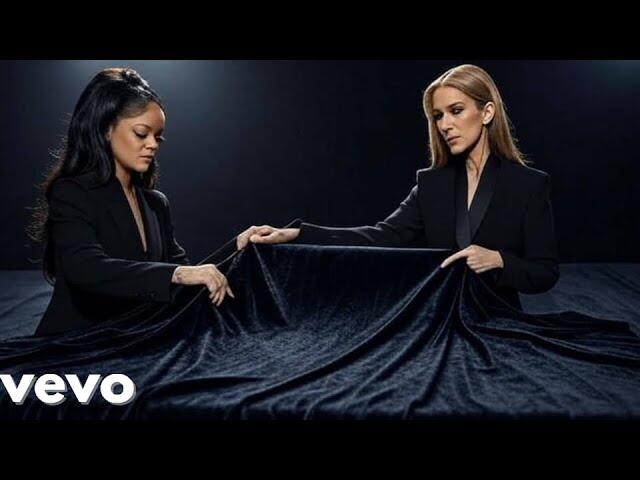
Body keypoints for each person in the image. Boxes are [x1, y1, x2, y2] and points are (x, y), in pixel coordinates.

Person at [235, 64, 559, 309]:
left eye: (456, 111)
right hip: (436, 318)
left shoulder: (529, 185)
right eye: (437, 116)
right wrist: (297, 234)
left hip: (499, 321)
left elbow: (545, 272)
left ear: (486, 112)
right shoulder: (431, 184)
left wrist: (500, 260)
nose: (445, 125)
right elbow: (379, 237)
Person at [29, 67, 233, 336]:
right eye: (141, 133)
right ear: (106, 129)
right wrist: (177, 274)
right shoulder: (71, 192)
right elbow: (86, 268)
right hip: (77, 340)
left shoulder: (156, 203)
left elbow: (187, 274)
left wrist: (238, 248)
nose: (153, 145)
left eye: (158, 137)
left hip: (136, 338)